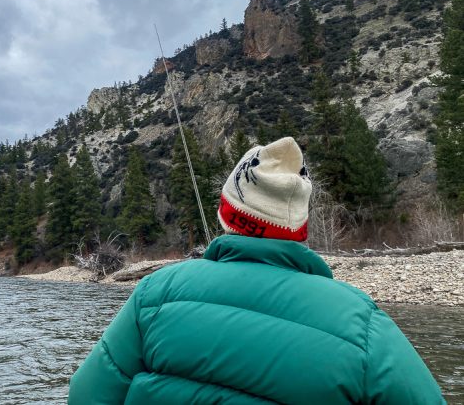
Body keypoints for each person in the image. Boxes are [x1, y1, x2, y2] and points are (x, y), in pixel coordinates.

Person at [69, 137, 445, 404]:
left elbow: (86, 396)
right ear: (300, 227)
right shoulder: (362, 322)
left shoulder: (155, 292)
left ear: (226, 214)